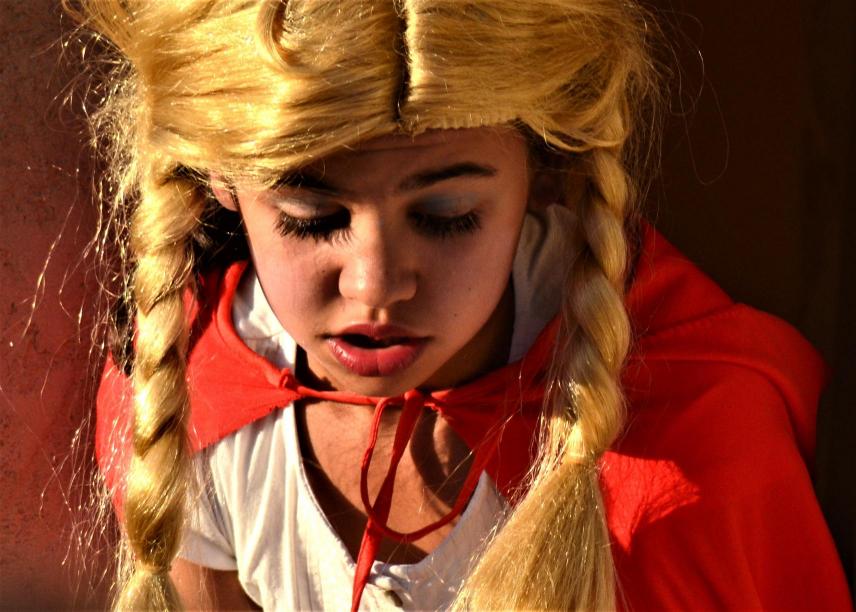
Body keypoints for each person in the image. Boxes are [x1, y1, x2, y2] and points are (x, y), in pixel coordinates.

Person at [69, 0, 852, 609]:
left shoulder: (697, 453)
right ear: (221, 179)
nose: (375, 286)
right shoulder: (189, 398)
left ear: (547, 171)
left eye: (446, 217)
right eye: (312, 218)